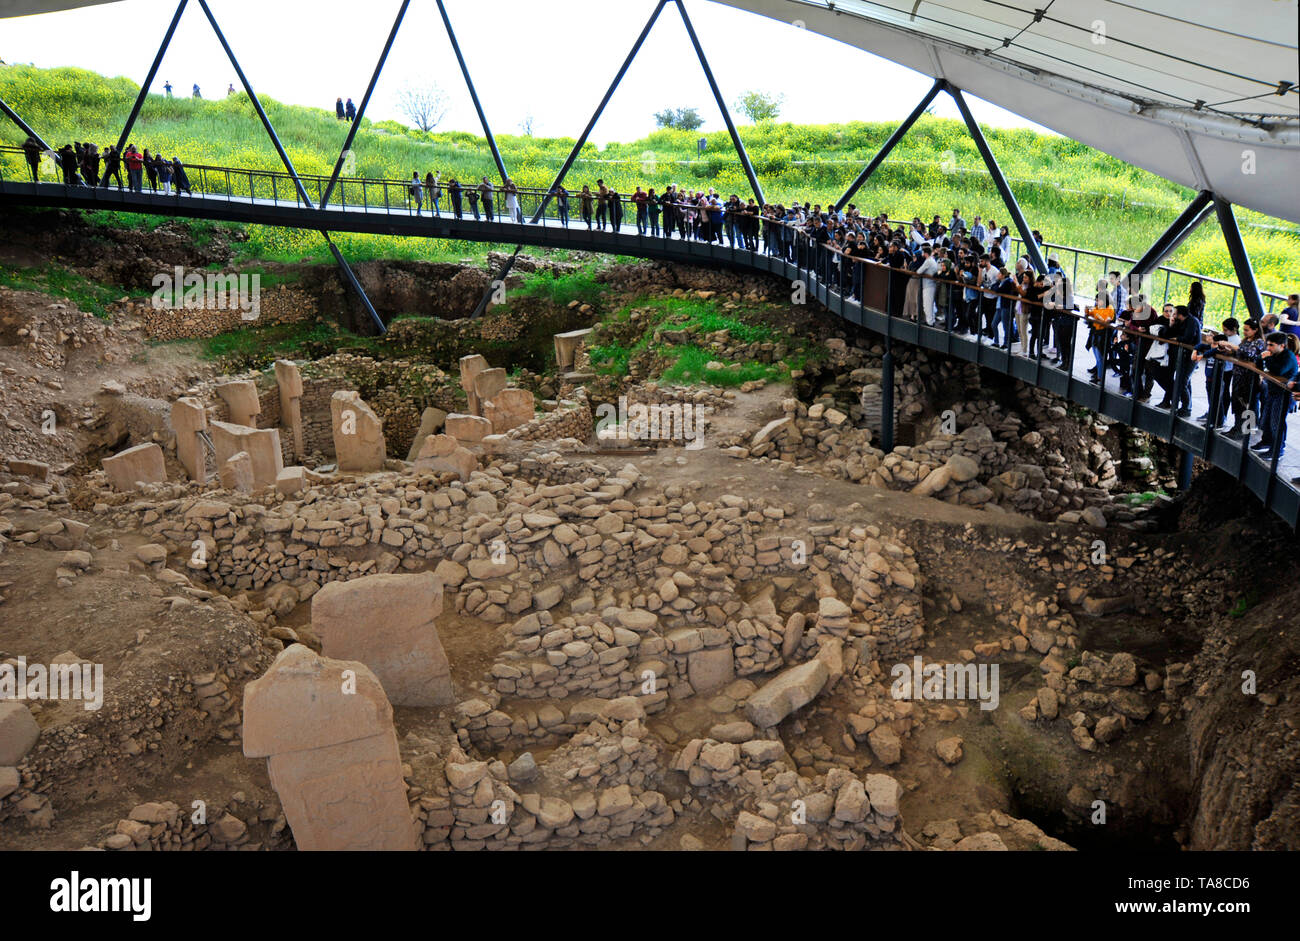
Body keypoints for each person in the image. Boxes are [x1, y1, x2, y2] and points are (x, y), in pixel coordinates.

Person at [1251, 332, 1299, 460]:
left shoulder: (1288, 356)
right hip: (1273, 392)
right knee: (1266, 419)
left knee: (1276, 422)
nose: (1268, 348)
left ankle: (1277, 450)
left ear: (1282, 345)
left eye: (1271, 345)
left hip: (1283, 395)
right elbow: (1260, 364)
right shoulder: (1274, 354)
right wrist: (1262, 358)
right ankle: (1266, 441)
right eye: (1267, 344)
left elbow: (1278, 370)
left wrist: (1267, 358)